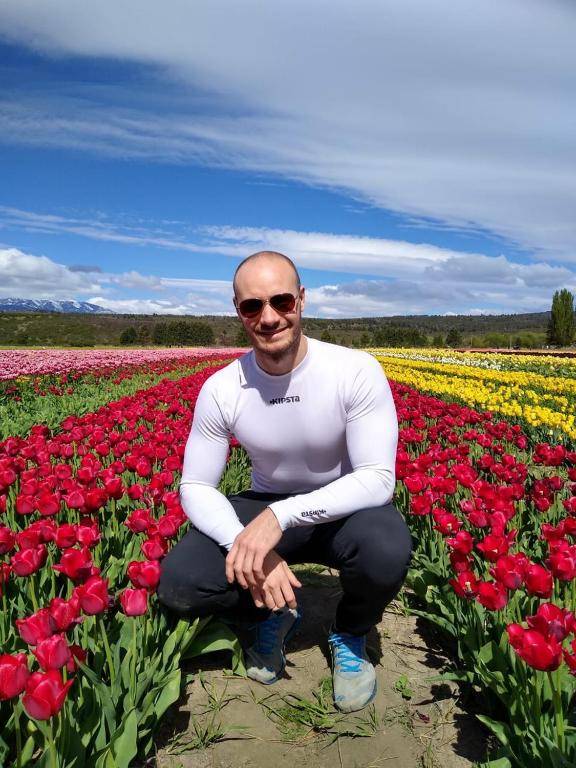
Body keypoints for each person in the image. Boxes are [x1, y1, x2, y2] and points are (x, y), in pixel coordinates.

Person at [158, 251, 412, 713]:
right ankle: (270, 613)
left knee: (386, 547)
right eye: (252, 306)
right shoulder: (222, 388)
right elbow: (195, 485)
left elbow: (377, 479)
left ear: (301, 300)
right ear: (237, 311)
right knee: (180, 584)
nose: (269, 317)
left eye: (281, 300)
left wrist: (281, 517)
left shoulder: (353, 370)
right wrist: (246, 540)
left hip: (343, 508)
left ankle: (350, 632)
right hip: (263, 500)